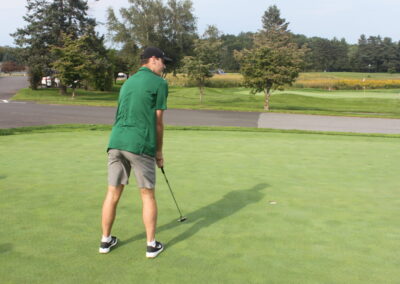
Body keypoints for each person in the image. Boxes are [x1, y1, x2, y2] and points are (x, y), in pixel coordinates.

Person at [99, 47, 171, 258]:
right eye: (163, 61)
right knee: (147, 195)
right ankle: (151, 245)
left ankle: (105, 241)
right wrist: (158, 151)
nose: (164, 66)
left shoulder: (128, 82)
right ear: (153, 60)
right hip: (139, 145)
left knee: (112, 193)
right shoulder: (160, 83)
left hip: (116, 141)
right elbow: (158, 122)